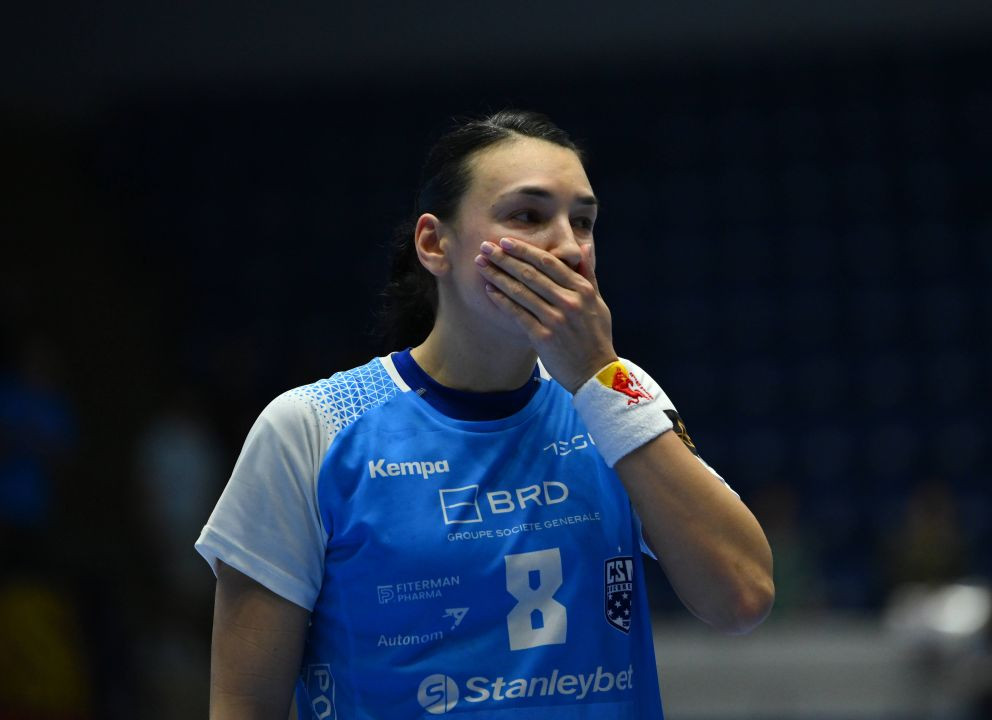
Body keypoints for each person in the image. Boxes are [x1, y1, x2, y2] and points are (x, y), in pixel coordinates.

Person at [195, 110, 774, 719]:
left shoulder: (616, 397)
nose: (568, 248)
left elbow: (742, 597)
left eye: (583, 221)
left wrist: (599, 376)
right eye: (527, 216)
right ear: (433, 244)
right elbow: (243, 703)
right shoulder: (312, 427)